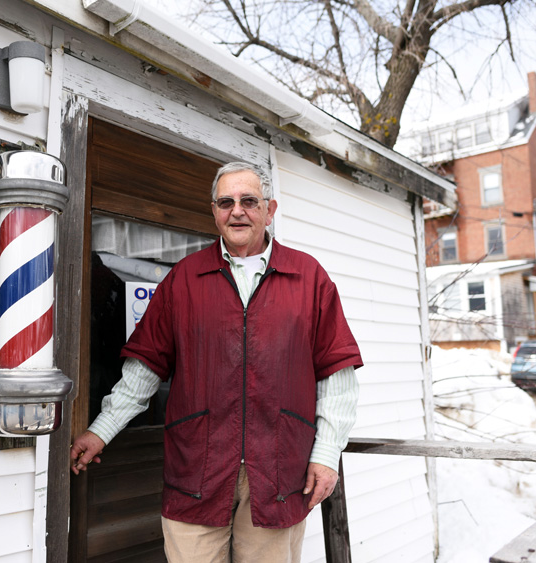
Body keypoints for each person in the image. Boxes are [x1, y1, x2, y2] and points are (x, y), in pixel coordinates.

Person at [70, 162, 363, 562]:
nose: (237, 211)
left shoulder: (308, 277)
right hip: (198, 470)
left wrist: (327, 455)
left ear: (270, 210)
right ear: (214, 211)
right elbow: (145, 369)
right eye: (226, 202)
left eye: (249, 201)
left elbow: (337, 375)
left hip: (279, 472)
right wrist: (101, 430)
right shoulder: (185, 279)